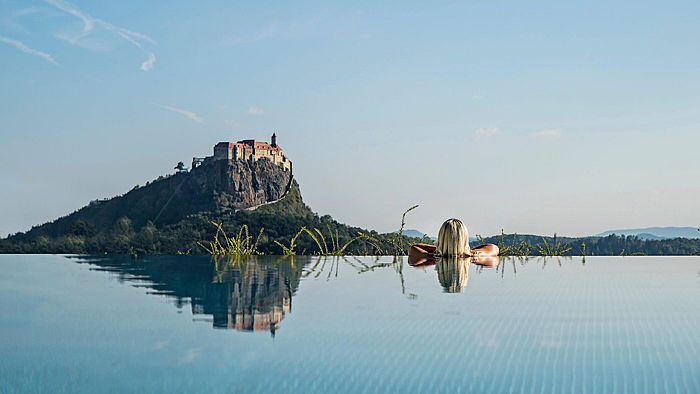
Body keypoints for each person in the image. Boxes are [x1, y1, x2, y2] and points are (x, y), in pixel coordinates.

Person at [408, 218, 499, 266]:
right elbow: (494, 248)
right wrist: (466, 251)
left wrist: (442, 250)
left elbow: (413, 248)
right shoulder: (475, 256)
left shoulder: (431, 256)